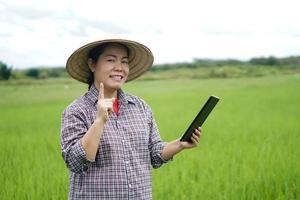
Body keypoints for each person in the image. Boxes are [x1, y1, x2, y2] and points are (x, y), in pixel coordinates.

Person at [60, 38, 202, 199]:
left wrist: (180, 144)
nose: (119, 68)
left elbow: (154, 154)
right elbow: (75, 162)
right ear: (92, 64)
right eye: (111, 60)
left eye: (124, 61)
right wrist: (99, 121)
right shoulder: (77, 110)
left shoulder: (140, 107)